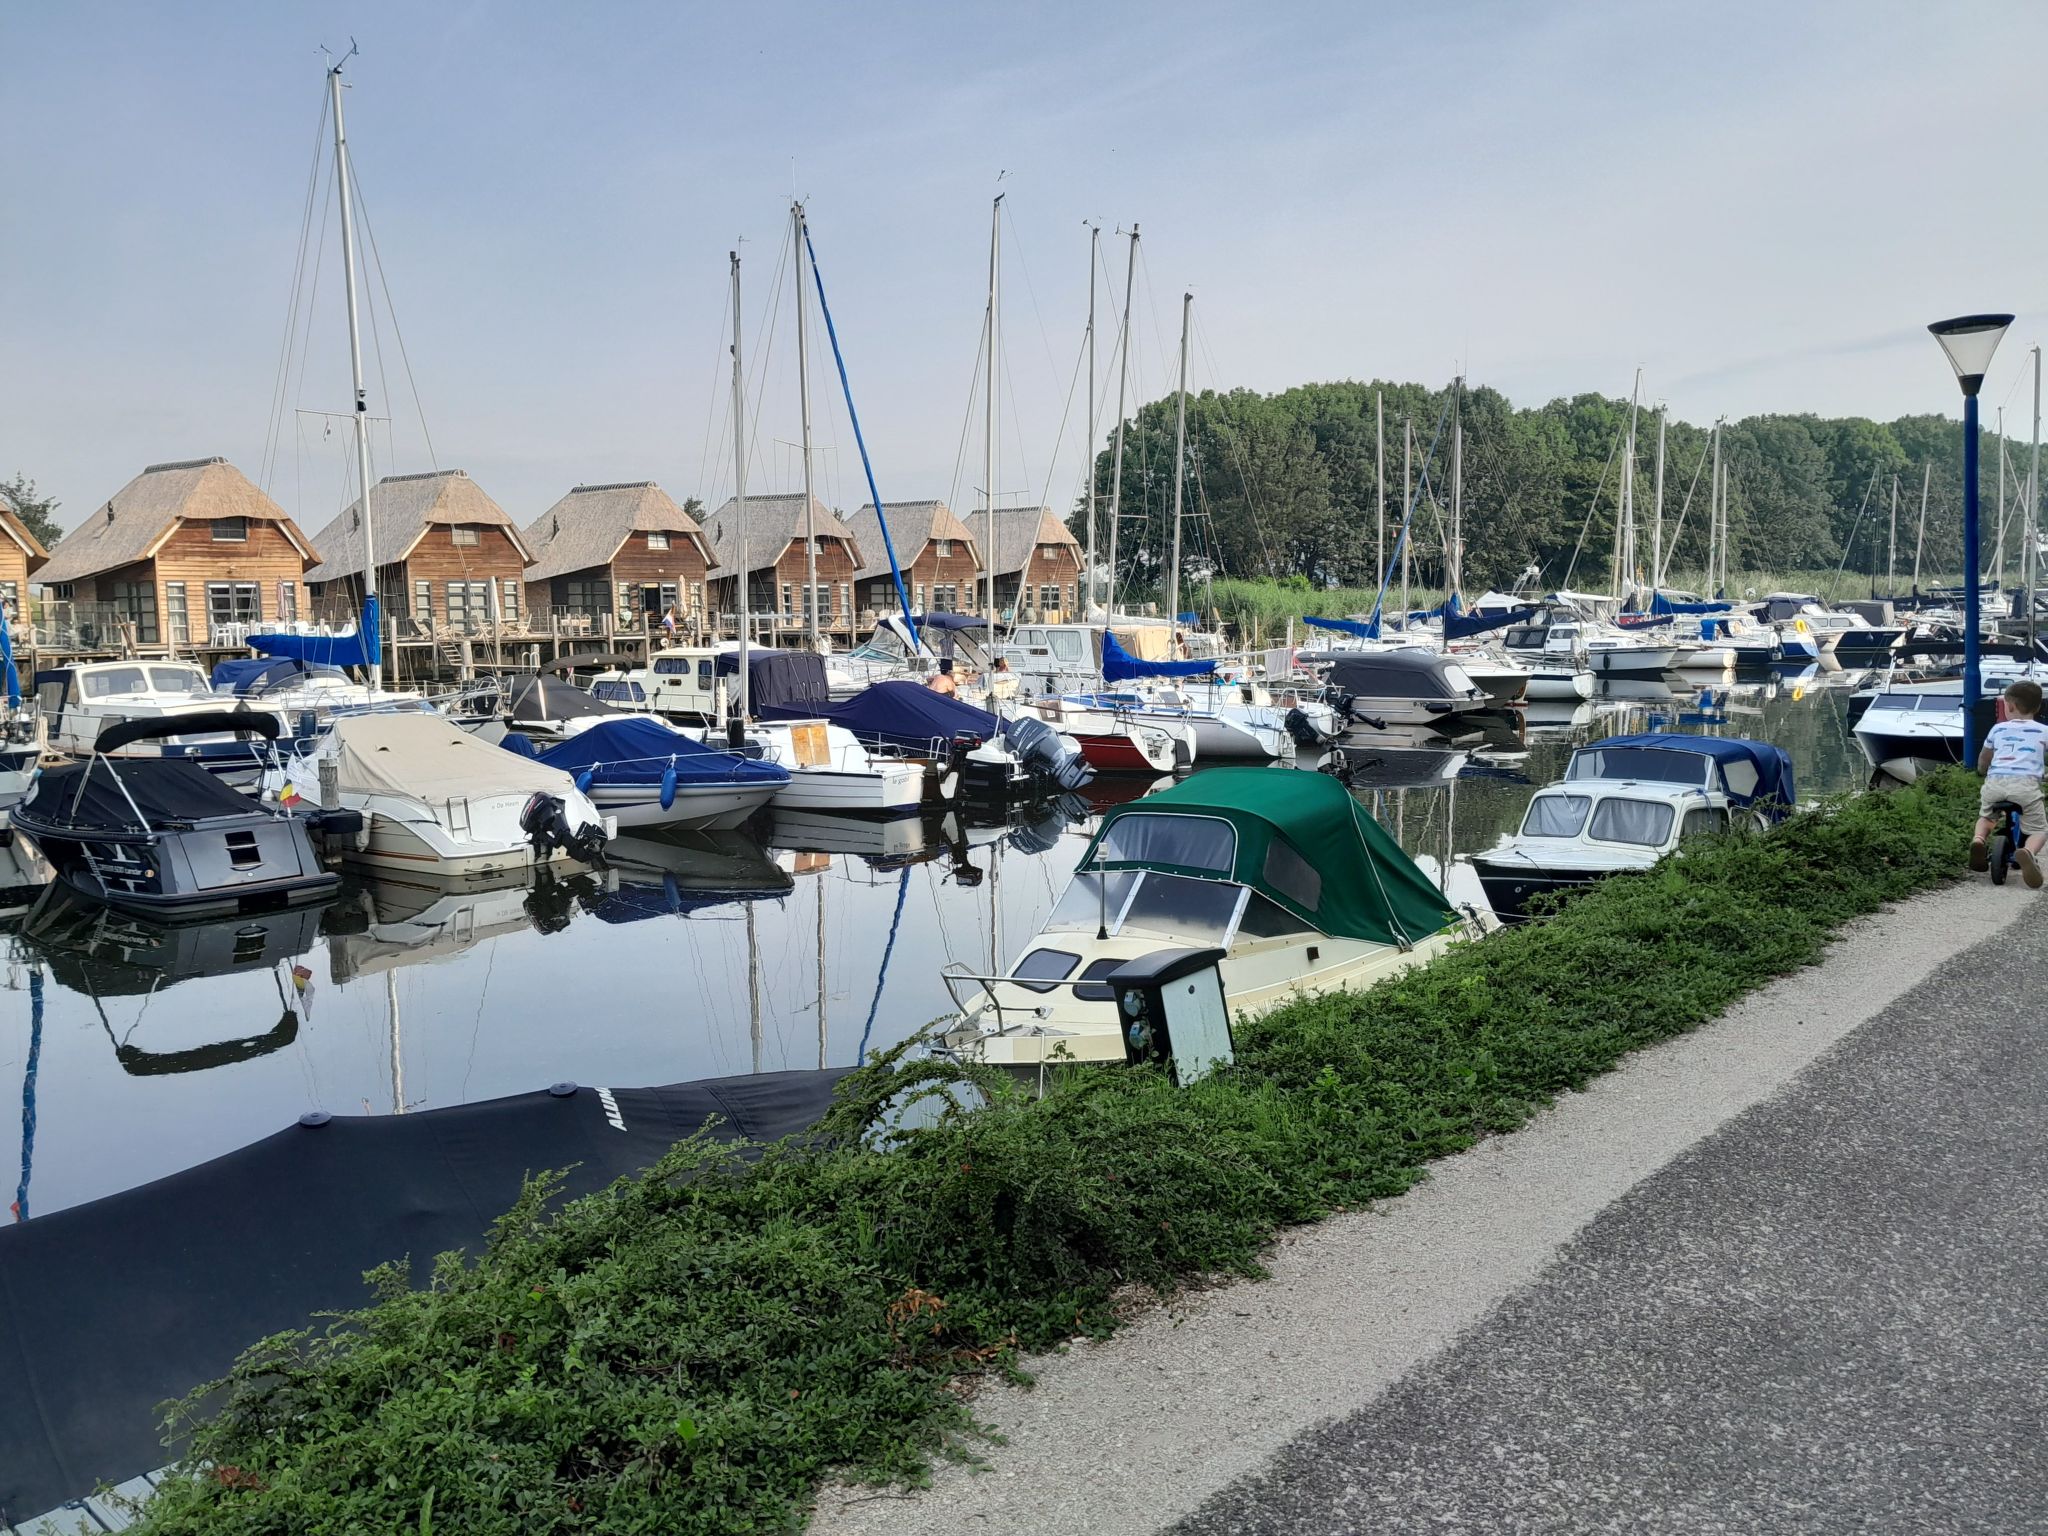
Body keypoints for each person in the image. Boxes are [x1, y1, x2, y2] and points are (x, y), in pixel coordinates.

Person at [1971, 678, 2048, 887]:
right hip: (2025, 786)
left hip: (1995, 783)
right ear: (2038, 707)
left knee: (1986, 816)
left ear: (2009, 705)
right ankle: (2028, 852)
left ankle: (1978, 840)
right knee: (2039, 829)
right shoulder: (2044, 731)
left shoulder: (1998, 729)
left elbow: (1984, 758)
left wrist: (1982, 771)